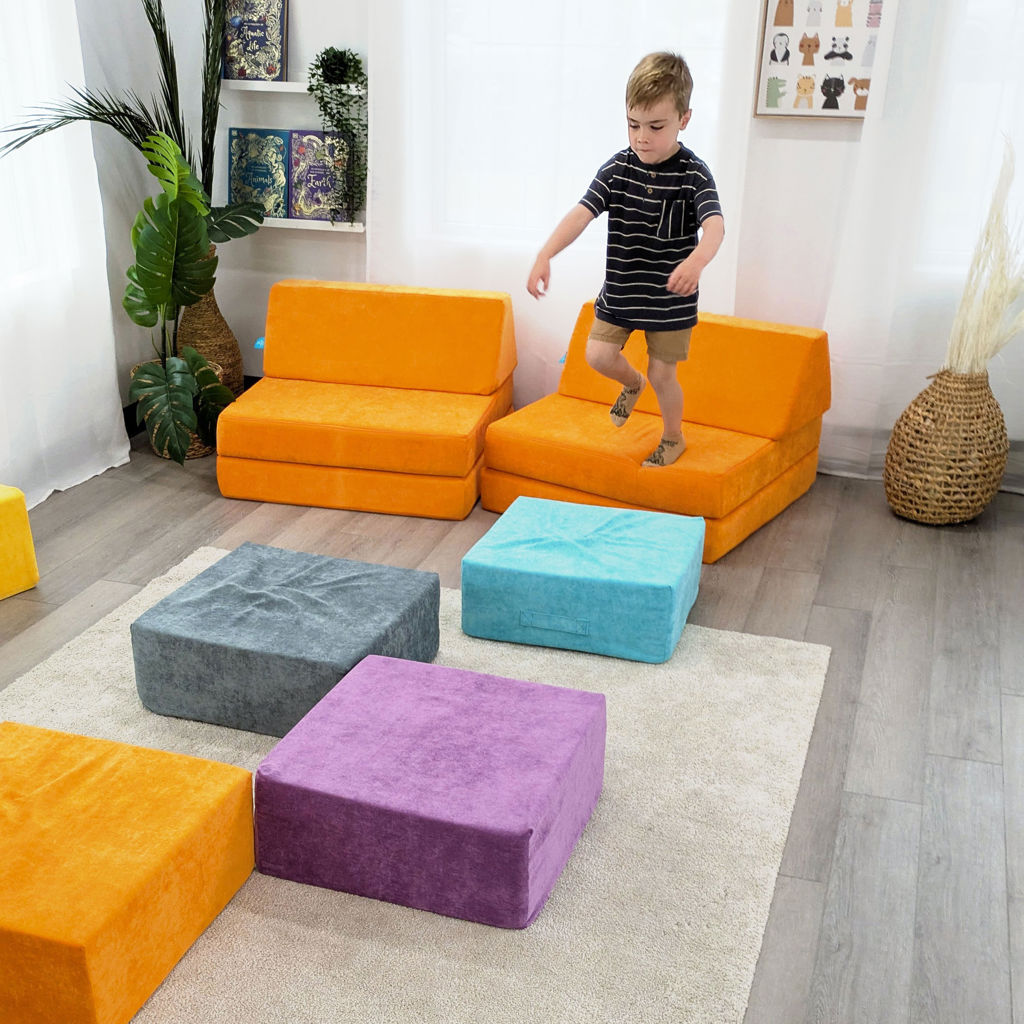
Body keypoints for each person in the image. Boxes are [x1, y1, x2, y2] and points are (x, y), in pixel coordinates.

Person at [527, 51, 725, 467]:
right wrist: (545, 254)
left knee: (663, 375)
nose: (642, 137)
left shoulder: (693, 174)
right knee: (597, 356)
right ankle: (631, 384)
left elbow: (715, 228)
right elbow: (581, 214)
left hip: (670, 299)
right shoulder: (618, 168)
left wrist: (695, 263)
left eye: (656, 127)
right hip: (622, 291)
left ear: (684, 119)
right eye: (633, 125)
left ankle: (673, 437)